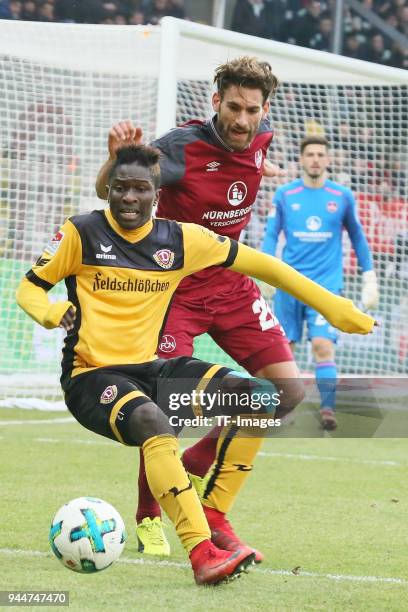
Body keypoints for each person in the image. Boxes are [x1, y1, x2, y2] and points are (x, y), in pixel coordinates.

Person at [17, 145, 374, 585]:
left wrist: (334, 306)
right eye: (121, 188)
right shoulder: (81, 232)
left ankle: (212, 507)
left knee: (265, 398)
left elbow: (268, 267)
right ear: (107, 190)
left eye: (140, 189)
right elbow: (29, 289)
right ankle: (202, 550)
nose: (130, 198)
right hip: (91, 378)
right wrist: (50, 312)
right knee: (155, 421)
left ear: (157, 192)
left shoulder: (181, 239)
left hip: (152, 369)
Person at [95, 56, 305, 560]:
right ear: (216, 102)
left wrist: (262, 166)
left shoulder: (261, 133)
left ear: (264, 108)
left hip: (232, 285)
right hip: (174, 292)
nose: (241, 119)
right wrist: (115, 157)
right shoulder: (179, 150)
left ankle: (198, 480)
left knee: (289, 392)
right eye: (232, 107)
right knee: (167, 410)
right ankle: (148, 516)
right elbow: (108, 190)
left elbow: (253, 154)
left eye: (251, 109)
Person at [262, 135, 379, 430]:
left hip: (326, 287)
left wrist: (369, 274)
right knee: (281, 350)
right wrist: (264, 271)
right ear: (302, 159)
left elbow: (358, 237)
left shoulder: (341, 196)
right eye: (310, 154)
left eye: (320, 154)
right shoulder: (285, 195)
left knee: (324, 347)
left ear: (328, 160)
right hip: (290, 285)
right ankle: (284, 409)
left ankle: (327, 410)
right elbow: (271, 235)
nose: (315, 159)